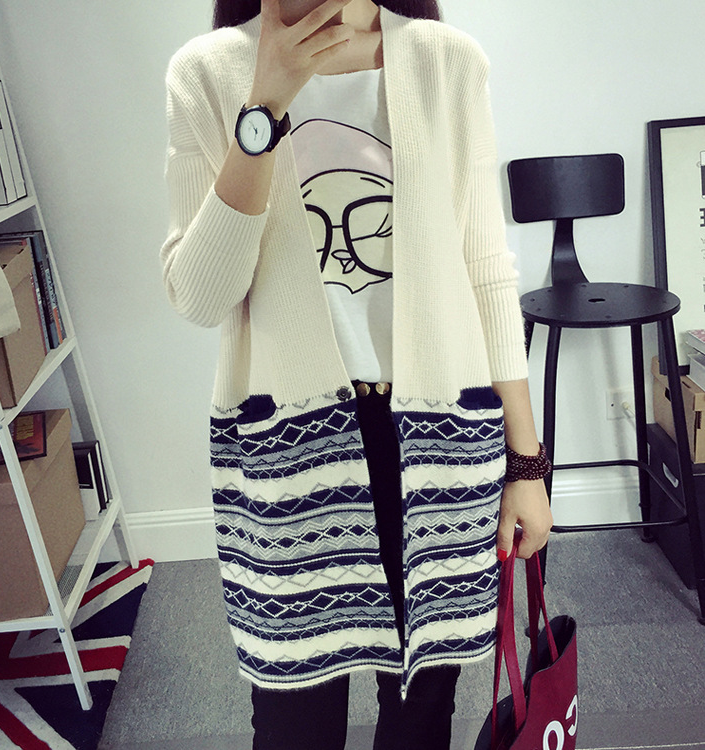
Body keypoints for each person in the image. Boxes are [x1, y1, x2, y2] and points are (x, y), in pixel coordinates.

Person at [160, 0, 553, 747]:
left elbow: (486, 270)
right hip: (290, 453)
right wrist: (263, 107)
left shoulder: (447, 61)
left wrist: (526, 465)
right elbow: (201, 296)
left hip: (440, 444)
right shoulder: (207, 73)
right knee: (295, 722)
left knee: (422, 713)